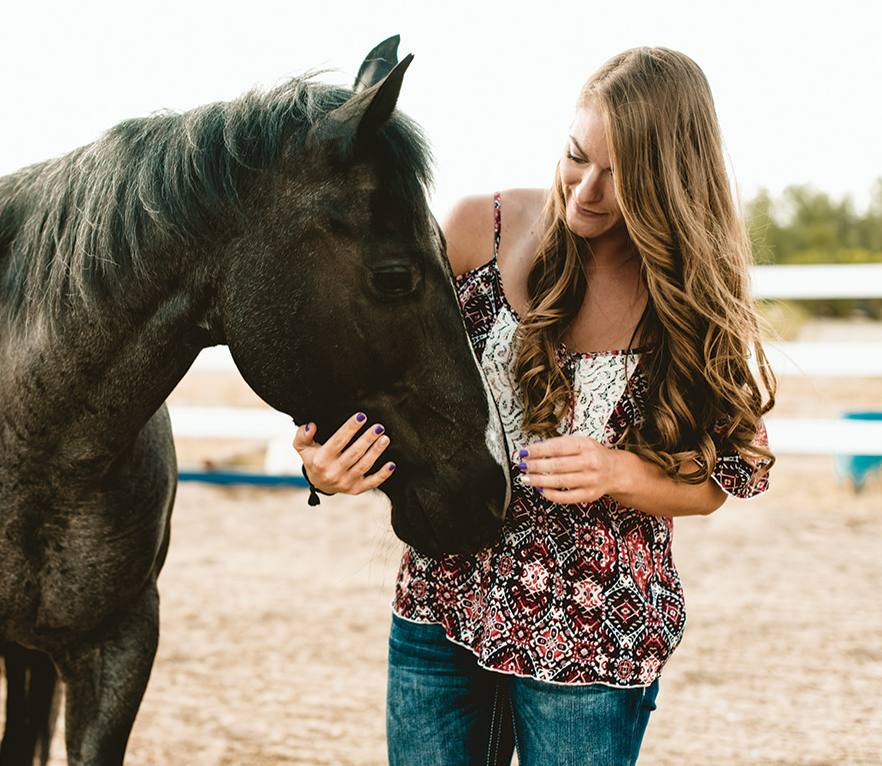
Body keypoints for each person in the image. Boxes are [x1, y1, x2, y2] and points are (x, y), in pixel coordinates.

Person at [293, 47, 776, 766]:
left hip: (591, 642)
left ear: (671, 182)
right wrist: (324, 462)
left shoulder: (693, 300)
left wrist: (616, 472)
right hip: (440, 607)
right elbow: (371, 373)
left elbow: (721, 480)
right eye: (577, 156)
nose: (585, 192)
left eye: (623, 178)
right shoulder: (477, 229)